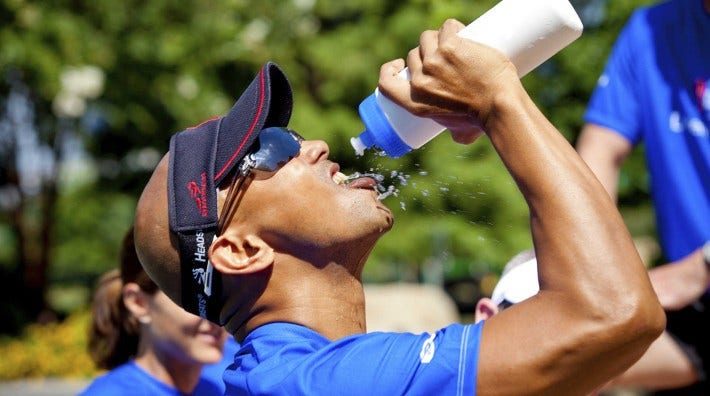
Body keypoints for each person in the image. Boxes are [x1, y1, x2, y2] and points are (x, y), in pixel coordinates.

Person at [133, 19, 665, 395]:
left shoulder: (305, 373)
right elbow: (612, 315)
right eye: (272, 151)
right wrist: (500, 102)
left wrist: (498, 113)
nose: (314, 146)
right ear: (242, 250)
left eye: (291, 133)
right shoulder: (315, 383)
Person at [575, 0, 710, 394]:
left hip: (693, 278)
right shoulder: (651, 29)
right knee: (558, 364)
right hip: (693, 300)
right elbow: (600, 152)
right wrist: (584, 264)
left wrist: (700, 268)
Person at [80, 227, 236, 395]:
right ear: (138, 303)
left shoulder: (231, 377)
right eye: (196, 295)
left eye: (224, 291)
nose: (215, 314)